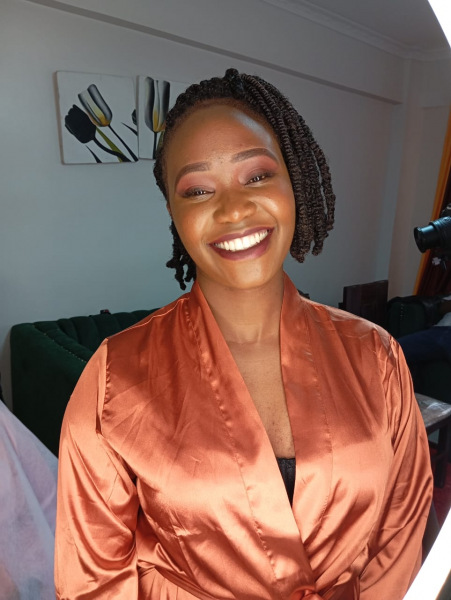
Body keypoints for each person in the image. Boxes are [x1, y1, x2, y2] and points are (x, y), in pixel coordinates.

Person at [54, 68, 433, 600]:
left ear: (292, 182)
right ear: (174, 214)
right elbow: (94, 581)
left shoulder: (376, 356)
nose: (233, 209)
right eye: (197, 190)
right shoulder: (113, 380)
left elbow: (400, 533)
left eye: (256, 176)